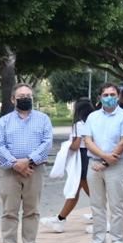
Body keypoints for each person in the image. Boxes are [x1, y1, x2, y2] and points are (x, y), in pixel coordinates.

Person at [0, 83, 53, 243]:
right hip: (9, 172)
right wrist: (15, 163)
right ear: (13, 99)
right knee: (9, 211)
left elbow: (47, 142)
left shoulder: (43, 119)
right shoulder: (3, 122)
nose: (25, 98)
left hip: (34, 169)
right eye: (21, 96)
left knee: (32, 209)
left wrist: (28, 160)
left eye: (28, 95)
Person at [81, 83, 123, 243]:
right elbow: (87, 141)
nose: (109, 97)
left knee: (116, 204)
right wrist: (103, 156)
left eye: (112, 94)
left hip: (115, 164)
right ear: (100, 97)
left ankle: (117, 240)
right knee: (96, 205)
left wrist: (109, 160)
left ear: (118, 96)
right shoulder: (92, 117)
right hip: (94, 164)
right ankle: (98, 241)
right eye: (105, 94)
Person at [41, 98, 96, 233]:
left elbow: (76, 145)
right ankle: (60, 219)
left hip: (82, 159)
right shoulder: (95, 121)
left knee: (92, 193)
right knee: (76, 190)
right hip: (91, 156)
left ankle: (103, 219)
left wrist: (69, 144)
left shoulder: (79, 125)